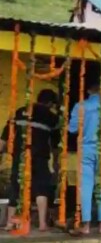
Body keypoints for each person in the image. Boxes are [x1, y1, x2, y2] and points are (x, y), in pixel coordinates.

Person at [0, 89, 60, 231]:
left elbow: (4, 138)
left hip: (19, 156)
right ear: (50, 103)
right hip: (40, 157)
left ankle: (9, 223)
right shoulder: (52, 117)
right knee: (41, 189)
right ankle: (42, 224)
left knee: (15, 187)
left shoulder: (20, 111)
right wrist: (56, 163)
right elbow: (55, 145)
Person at [68, 80, 101, 234]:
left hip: (86, 149)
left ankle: (86, 226)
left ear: (89, 90)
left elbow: (72, 129)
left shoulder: (80, 106)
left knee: (86, 186)